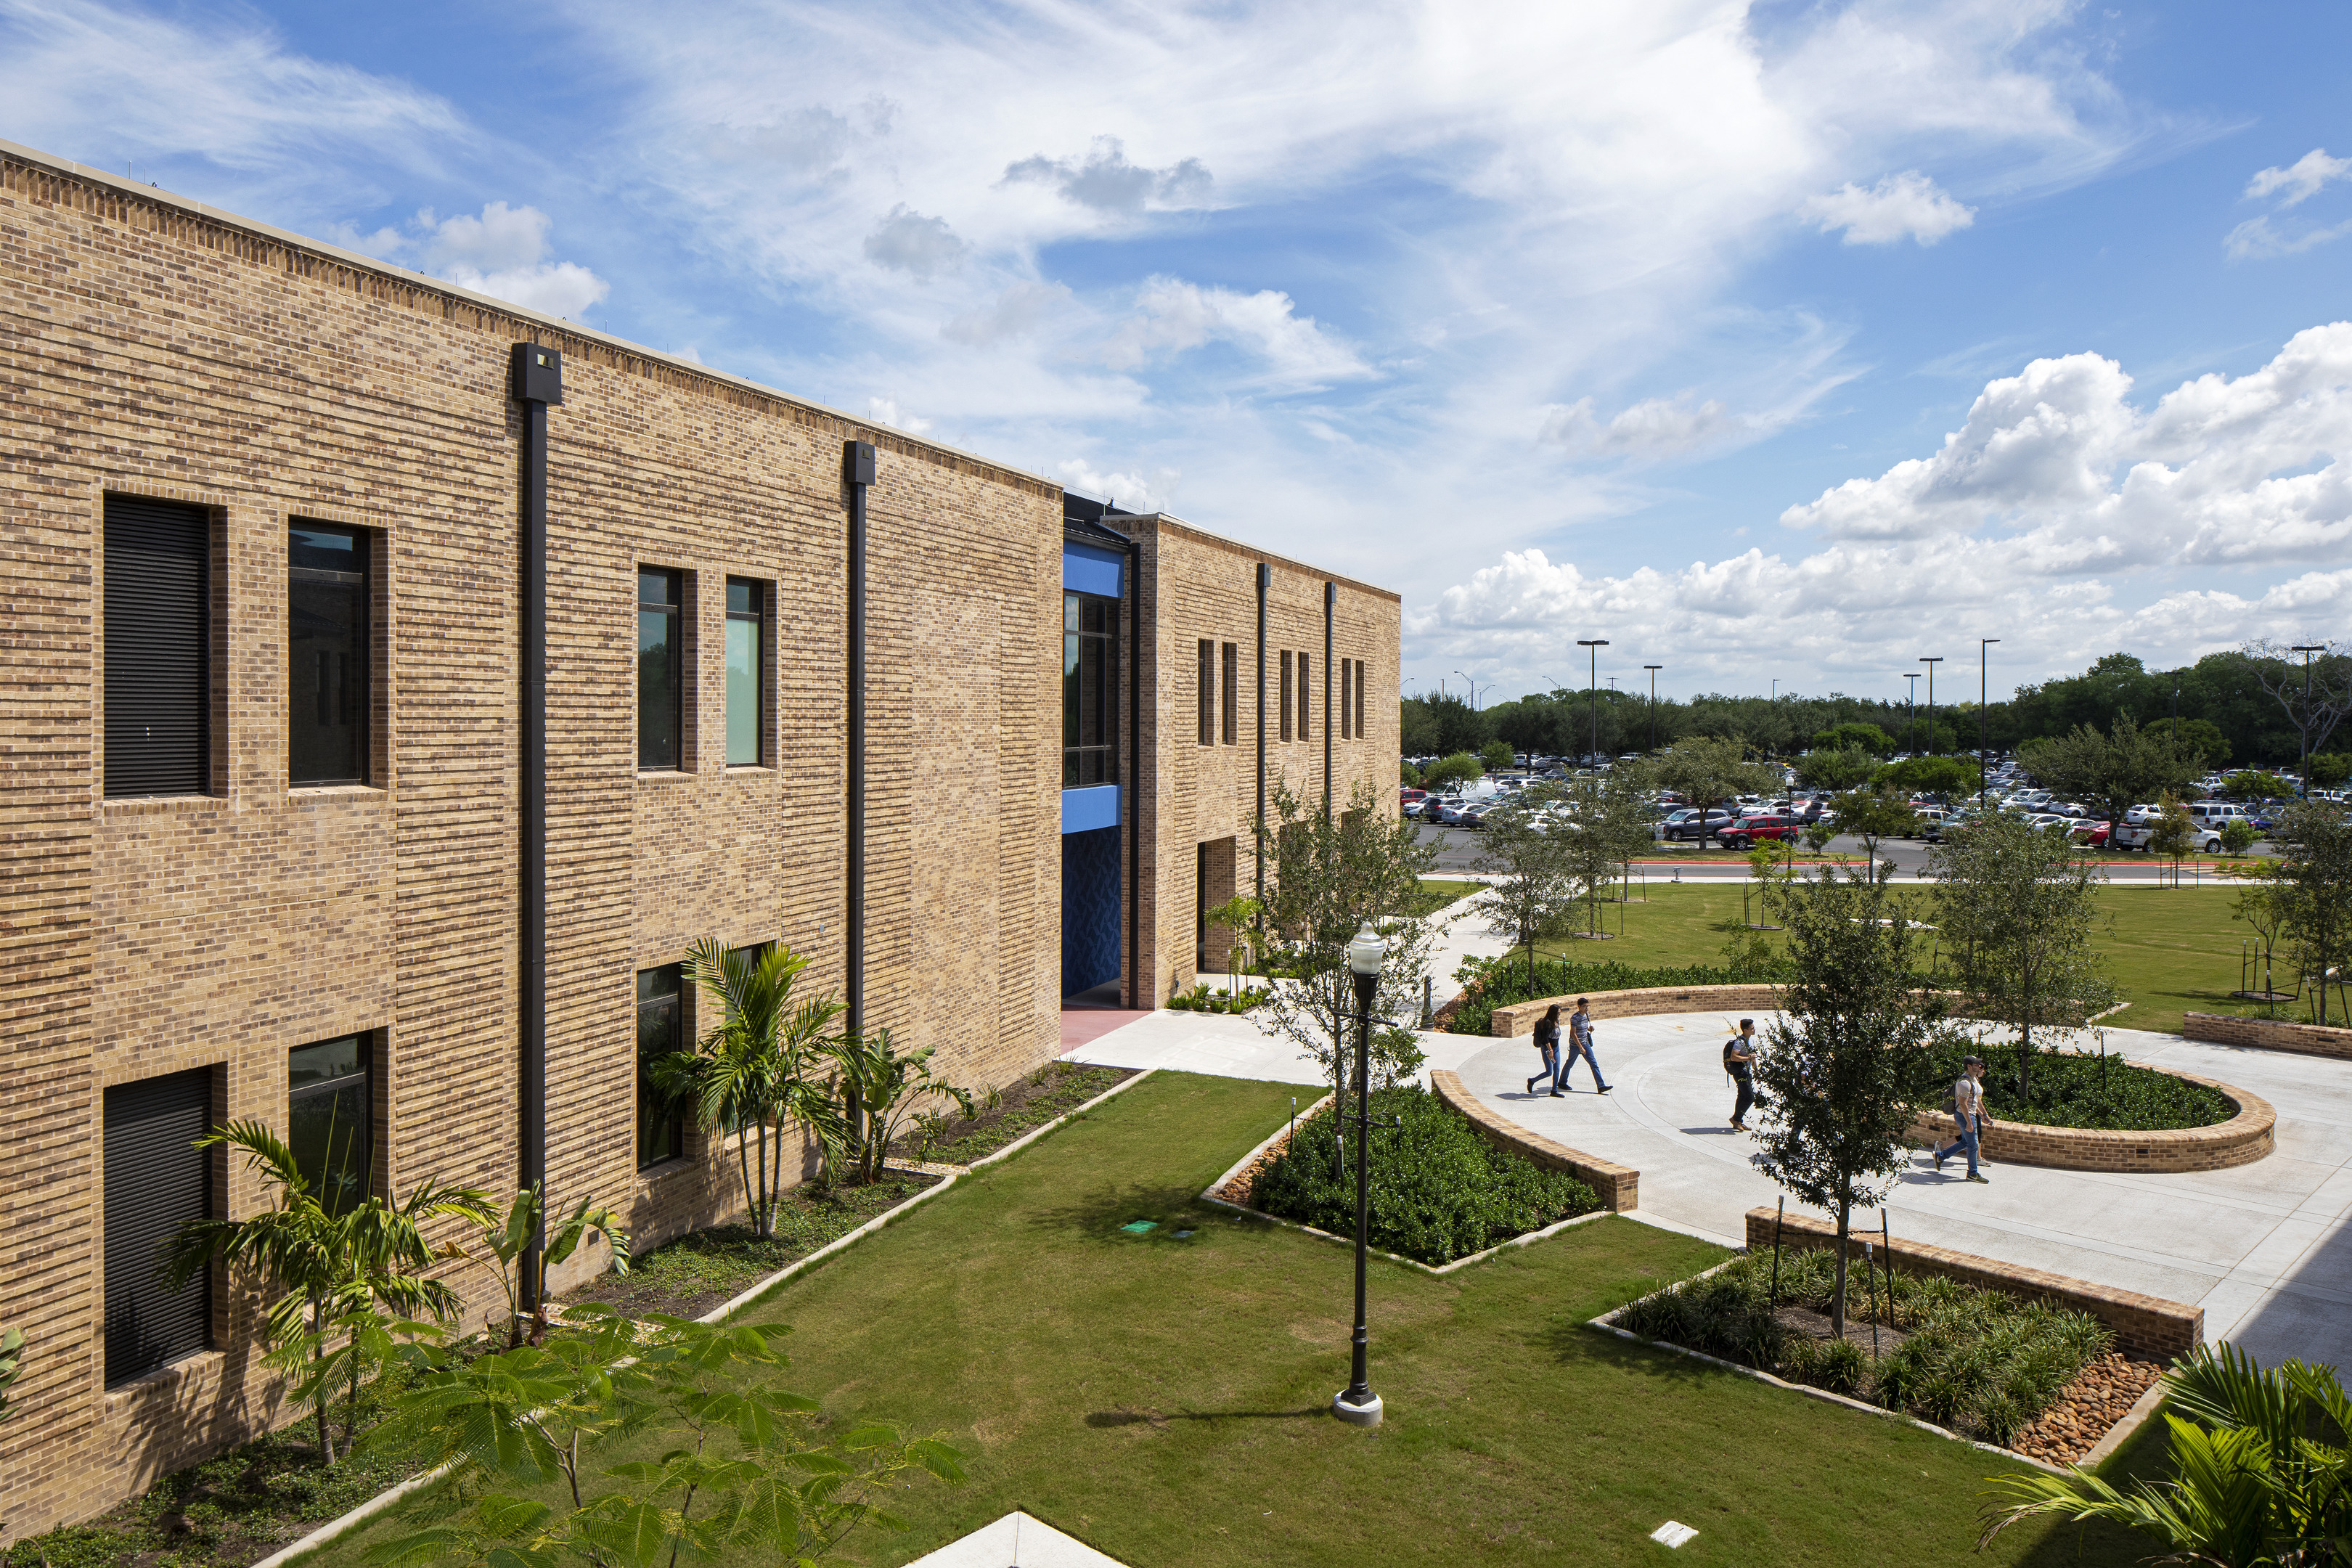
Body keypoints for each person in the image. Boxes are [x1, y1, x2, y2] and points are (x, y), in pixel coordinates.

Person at [1935, 1055, 1992, 1183]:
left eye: (1980, 1065)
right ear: (1969, 1067)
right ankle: (1972, 1173)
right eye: (1977, 1065)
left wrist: (1984, 1114)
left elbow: (1977, 1100)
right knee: (1974, 1144)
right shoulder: (1964, 1083)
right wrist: (1969, 1122)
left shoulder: (1974, 1080)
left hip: (1971, 1114)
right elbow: (1963, 1104)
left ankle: (1940, 1156)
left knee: (1966, 1142)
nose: (1980, 1066)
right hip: (1964, 1115)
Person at [1560, 997, 1612, 1094]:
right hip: (1576, 1045)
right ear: (1579, 1007)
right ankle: (1562, 1082)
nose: (1586, 1008)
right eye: (1584, 1006)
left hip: (1585, 1043)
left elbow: (1583, 1028)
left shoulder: (1586, 1015)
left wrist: (1589, 1029)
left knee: (1594, 1064)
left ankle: (1601, 1086)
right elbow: (1573, 1033)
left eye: (1588, 1006)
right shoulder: (1575, 1018)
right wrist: (1580, 1047)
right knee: (1570, 1064)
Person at [1723, 1018, 1757, 1130]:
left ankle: (1738, 1122)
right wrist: (1748, 1058)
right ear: (1746, 1030)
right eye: (1752, 1028)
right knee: (1750, 1097)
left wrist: (1756, 1070)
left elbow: (1753, 1057)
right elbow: (1734, 1057)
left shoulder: (1751, 1041)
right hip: (1740, 1073)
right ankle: (1736, 1118)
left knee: (1742, 1096)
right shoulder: (1739, 1042)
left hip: (1747, 1072)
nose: (1754, 1029)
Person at [1527, 1004, 1564, 1096]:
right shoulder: (1547, 1022)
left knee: (1557, 1069)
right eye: (1558, 1013)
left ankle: (1554, 1091)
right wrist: (1550, 1050)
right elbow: (1545, 1038)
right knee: (1549, 1072)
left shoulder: (1556, 1021)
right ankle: (1532, 1081)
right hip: (1547, 1049)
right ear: (1553, 1013)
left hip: (1556, 1048)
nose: (1559, 1015)